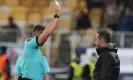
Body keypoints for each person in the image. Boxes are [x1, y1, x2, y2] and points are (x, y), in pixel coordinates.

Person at [22, 3, 62, 80]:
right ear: (35, 34)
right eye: (42, 35)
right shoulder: (30, 44)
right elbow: (47, 33)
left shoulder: (36, 51)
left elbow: (46, 32)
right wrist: (57, 15)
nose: (46, 39)